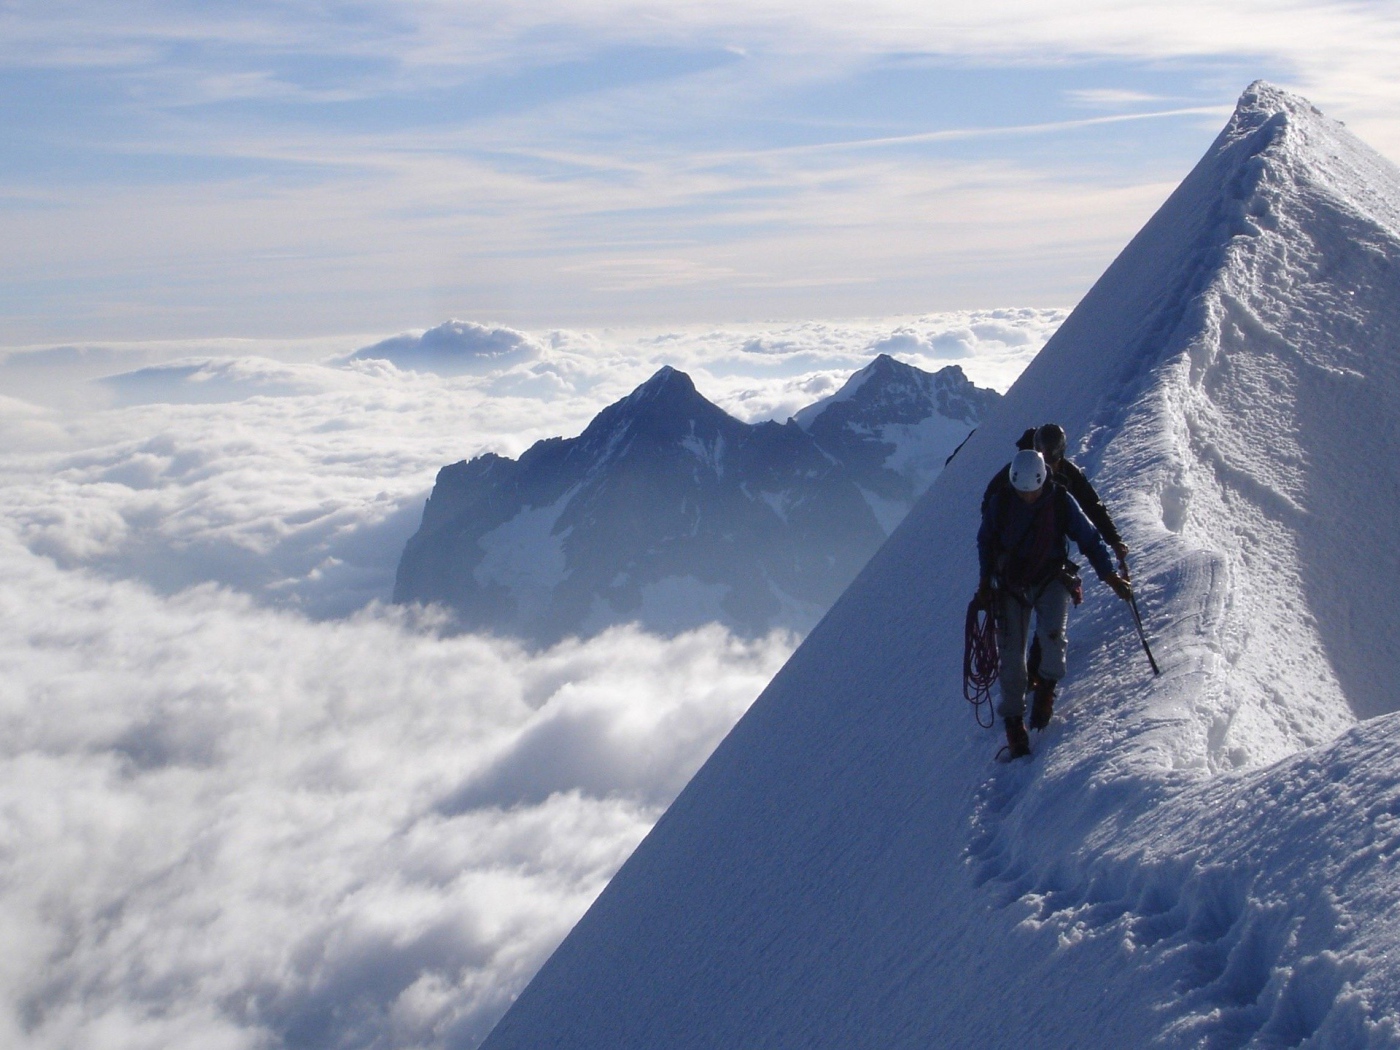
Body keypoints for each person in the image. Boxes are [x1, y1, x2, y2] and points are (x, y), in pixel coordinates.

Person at [977, 449, 1132, 758]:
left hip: (1049, 578)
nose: (1028, 497)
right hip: (1011, 584)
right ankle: (1014, 721)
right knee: (1011, 653)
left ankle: (1045, 690)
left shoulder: (1061, 500)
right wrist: (985, 583)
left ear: (1041, 481)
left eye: (1032, 491)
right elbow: (986, 541)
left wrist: (1111, 576)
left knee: (1052, 638)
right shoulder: (1004, 501)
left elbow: (1089, 539)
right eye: (1023, 492)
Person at [982, 424, 1129, 574]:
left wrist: (1114, 540)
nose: (1047, 469)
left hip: (1047, 550)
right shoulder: (1019, 472)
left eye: (1051, 461)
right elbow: (990, 506)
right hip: (1012, 551)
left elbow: (1092, 506)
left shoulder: (1067, 475)